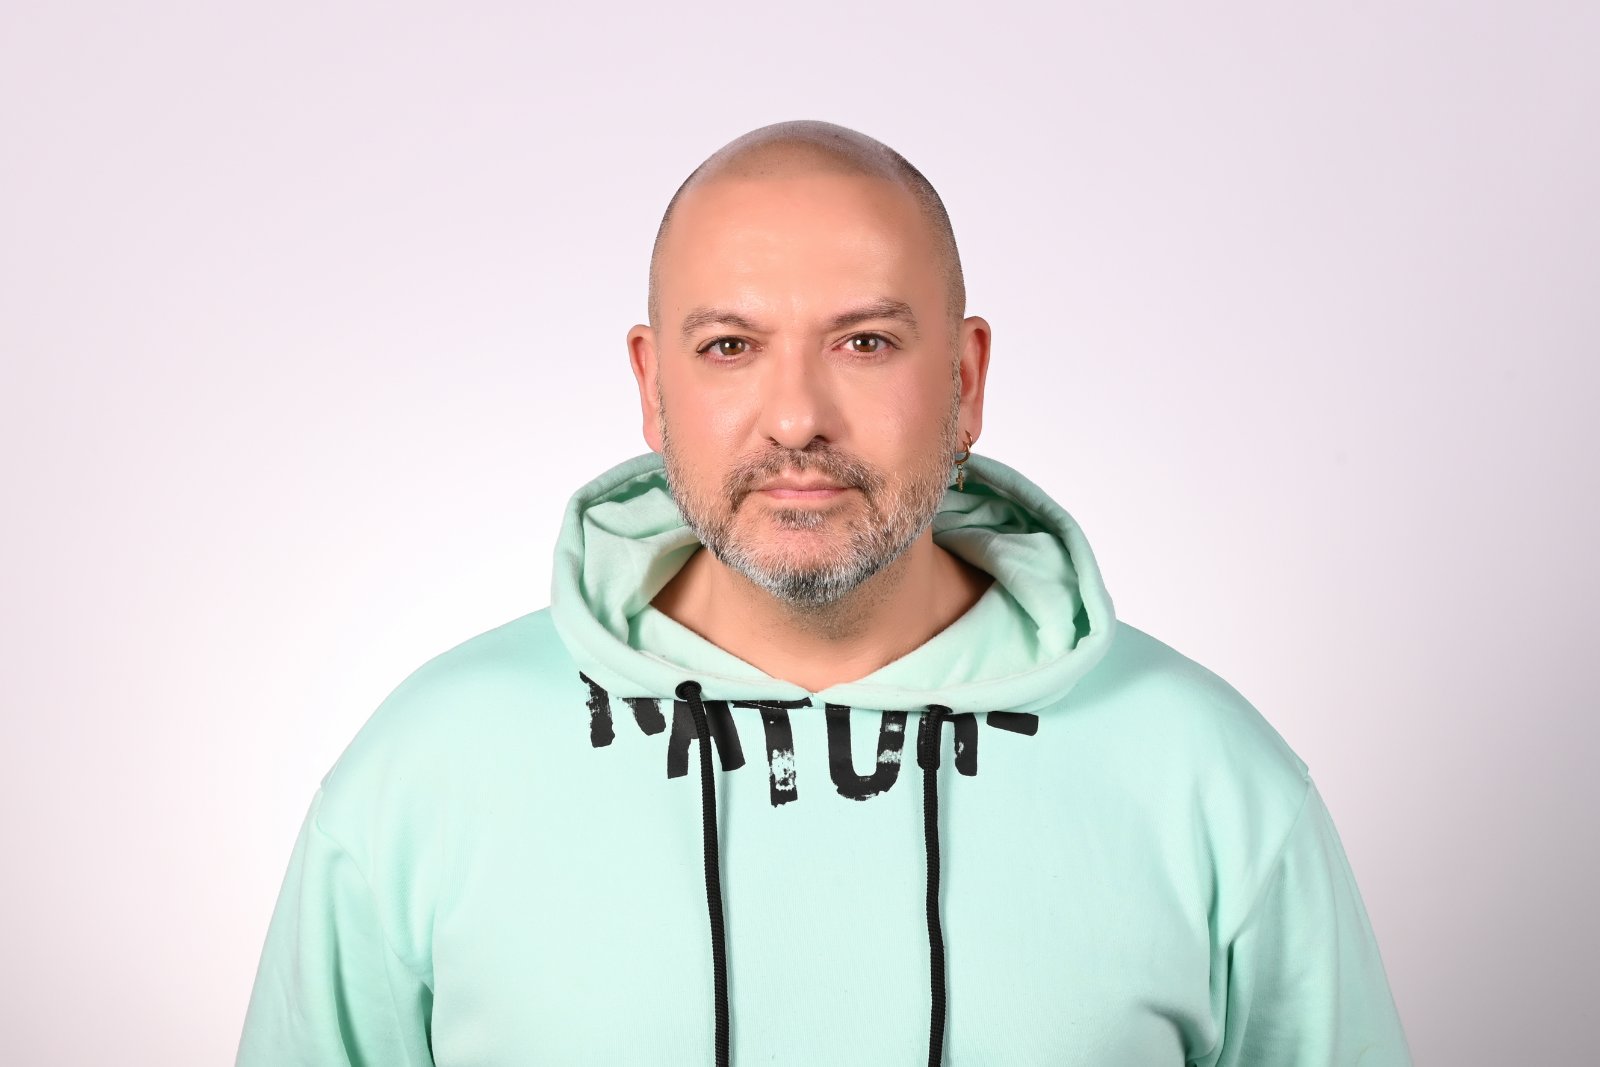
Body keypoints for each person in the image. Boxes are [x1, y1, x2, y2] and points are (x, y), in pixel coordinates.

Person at [237, 120, 1412, 1066]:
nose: (796, 417)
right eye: (730, 346)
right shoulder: (426, 774)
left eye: (863, 342)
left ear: (965, 379)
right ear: (652, 385)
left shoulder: (1212, 780)